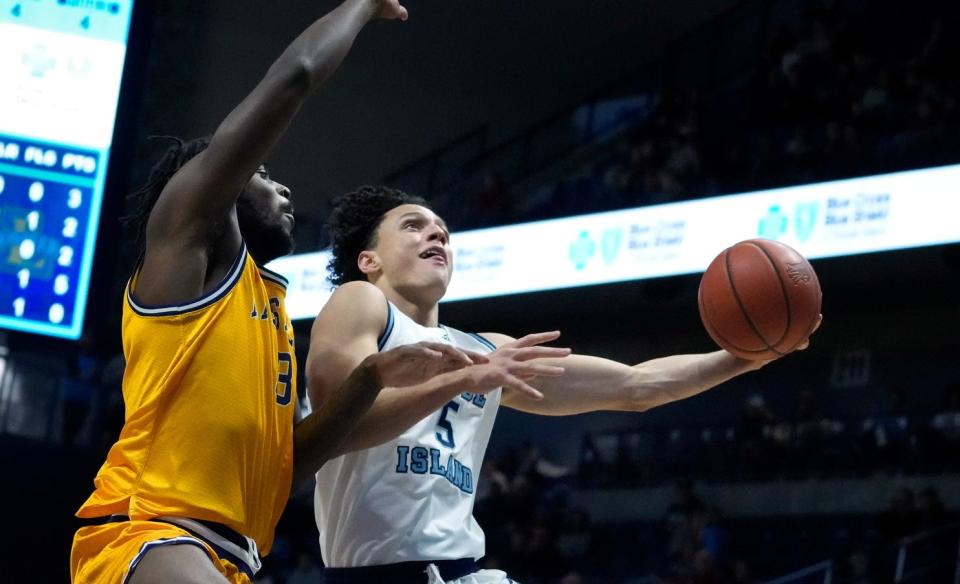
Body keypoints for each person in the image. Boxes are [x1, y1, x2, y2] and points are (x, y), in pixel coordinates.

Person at [69, 2, 514, 583]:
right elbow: (295, 76)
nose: (281, 184)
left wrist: (373, 377)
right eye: (259, 173)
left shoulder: (269, 314)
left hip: (232, 556)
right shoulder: (186, 250)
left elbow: (291, 466)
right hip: (149, 532)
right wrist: (360, 6)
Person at [306, 187, 820, 583]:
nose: (436, 235)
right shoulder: (361, 301)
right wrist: (464, 378)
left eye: (442, 230)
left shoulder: (486, 349)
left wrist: (748, 358)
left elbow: (637, 387)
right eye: (414, 227)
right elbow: (338, 427)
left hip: (464, 570)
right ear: (368, 260)